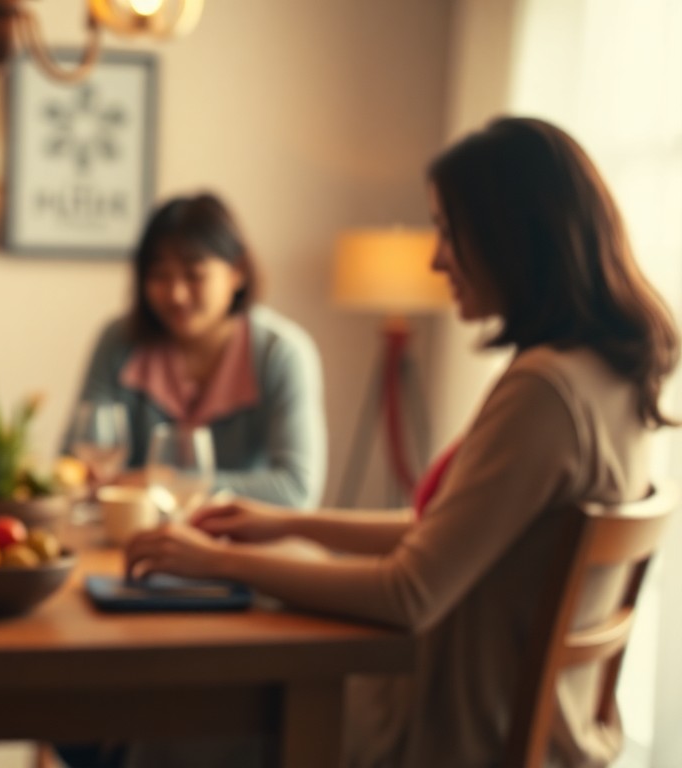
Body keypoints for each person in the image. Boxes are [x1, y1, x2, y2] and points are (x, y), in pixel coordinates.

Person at [125, 117, 679, 767]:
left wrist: (214, 561)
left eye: (448, 231)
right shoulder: (603, 375)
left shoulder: (545, 392)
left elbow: (408, 594)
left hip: (443, 732)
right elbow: (440, 533)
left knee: (173, 724)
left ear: (511, 236)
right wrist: (280, 524)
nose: (436, 258)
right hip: (530, 724)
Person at [67, 193, 326, 508]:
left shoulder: (280, 353)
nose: (176, 294)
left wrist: (161, 482)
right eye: (160, 276)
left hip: (243, 548)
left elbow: (296, 490)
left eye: (194, 275)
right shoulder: (120, 341)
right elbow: (74, 462)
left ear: (237, 271)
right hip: (134, 538)